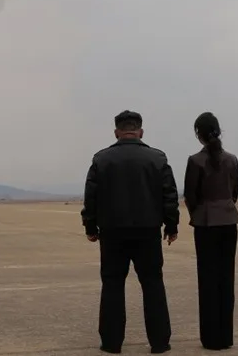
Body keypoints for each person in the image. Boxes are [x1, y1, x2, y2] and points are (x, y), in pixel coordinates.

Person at [81, 110, 180, 354]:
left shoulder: (101, 159)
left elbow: (91, 197)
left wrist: (90, 226)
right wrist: (171, 226)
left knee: (112, 284)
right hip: (148, 232)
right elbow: (169, 195)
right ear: (140, 131)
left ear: (117, 132)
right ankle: (160, 342)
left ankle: (111, 342)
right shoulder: (157, 158)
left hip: (112, 233)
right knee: (153, 284)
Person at [183, 111, 238, 351]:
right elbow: (234, 193)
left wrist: (199, 213)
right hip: (228, 221)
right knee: (226, 279)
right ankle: (226, 336)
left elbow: (190, 196)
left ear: (199, 134)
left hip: (206, 224)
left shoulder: (195, 161)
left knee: (207, 279)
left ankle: (211, 338)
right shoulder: (232, 160)